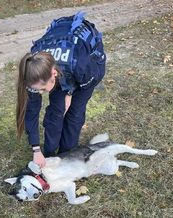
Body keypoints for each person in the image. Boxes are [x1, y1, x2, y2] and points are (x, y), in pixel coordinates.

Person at [16, 13, 106, 168]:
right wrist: (36, 149)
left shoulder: (81, 66)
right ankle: (50, 154)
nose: (41, 92)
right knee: (56, 112)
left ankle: (66, 154)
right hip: (61, 56)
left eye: (43, 89)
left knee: (74, 113)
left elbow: (88, 79)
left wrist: (70, 92)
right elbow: (31, 111)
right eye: (38, 90)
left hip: (88, 60)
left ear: (54, 74)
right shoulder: (32, 69)